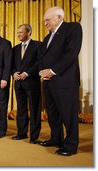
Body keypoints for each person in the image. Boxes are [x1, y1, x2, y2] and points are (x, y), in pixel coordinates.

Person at [38, 6, 82, 156]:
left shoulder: (73, 28)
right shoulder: (47, 37)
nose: (45, 23)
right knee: (53, 113)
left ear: (59, 17)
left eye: (47, 20)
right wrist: (42, 72)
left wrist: (52, 71)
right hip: (49, 82)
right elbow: (42, 58)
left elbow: (71, 54)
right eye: (44, 20)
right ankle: (56, 138)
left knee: (68, 115)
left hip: (65, 81)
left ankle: (70, 145)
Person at [11, 24, 42, 144]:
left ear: (29, 32)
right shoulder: (15, 48)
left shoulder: (38, 45)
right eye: (17, 32)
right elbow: (12, 65)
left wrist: (27, 73)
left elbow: (39, 63)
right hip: (18, 84)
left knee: (34, 110)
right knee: (21, 110)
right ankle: (21, 133)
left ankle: (34, 137)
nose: (18, 34)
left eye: (21, 32)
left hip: (32, 82)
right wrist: (13, 73)